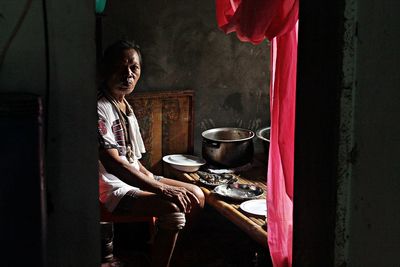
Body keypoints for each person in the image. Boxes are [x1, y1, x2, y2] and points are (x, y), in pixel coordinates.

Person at [97, 40, 205, 267]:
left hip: (134, 178)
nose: (128, 74)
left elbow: (134, 160)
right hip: (113, 189)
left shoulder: (124, 105)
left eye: (133, 68)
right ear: (105, 69)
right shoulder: (98, 107)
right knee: (173, 209)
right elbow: (114, 164)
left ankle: (164, 252)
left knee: (197, 196)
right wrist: (162, 189)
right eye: (120, 66)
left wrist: (154, 180)